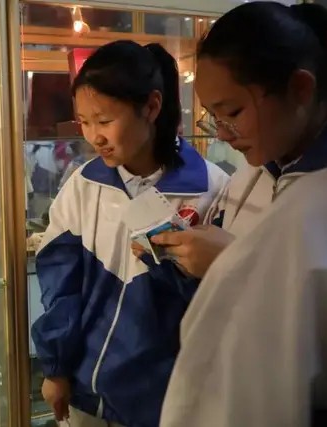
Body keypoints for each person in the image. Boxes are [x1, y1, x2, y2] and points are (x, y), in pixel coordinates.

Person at [30, 40, 229, 427]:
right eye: (84, 122)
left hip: (167, 402)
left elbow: (217, 307)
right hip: (87, 395)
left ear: (152, 107)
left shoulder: (211, 188)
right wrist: (55, 369)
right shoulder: (84, 185)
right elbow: (60, 285)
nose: (94, 137)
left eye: (104, 121)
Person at [155, 3, 327, 426]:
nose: (221, 133)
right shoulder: (256, 168)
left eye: (233, 113)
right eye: (213, 115)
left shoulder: (319, 194)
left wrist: (234, 264)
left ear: (300, 89)